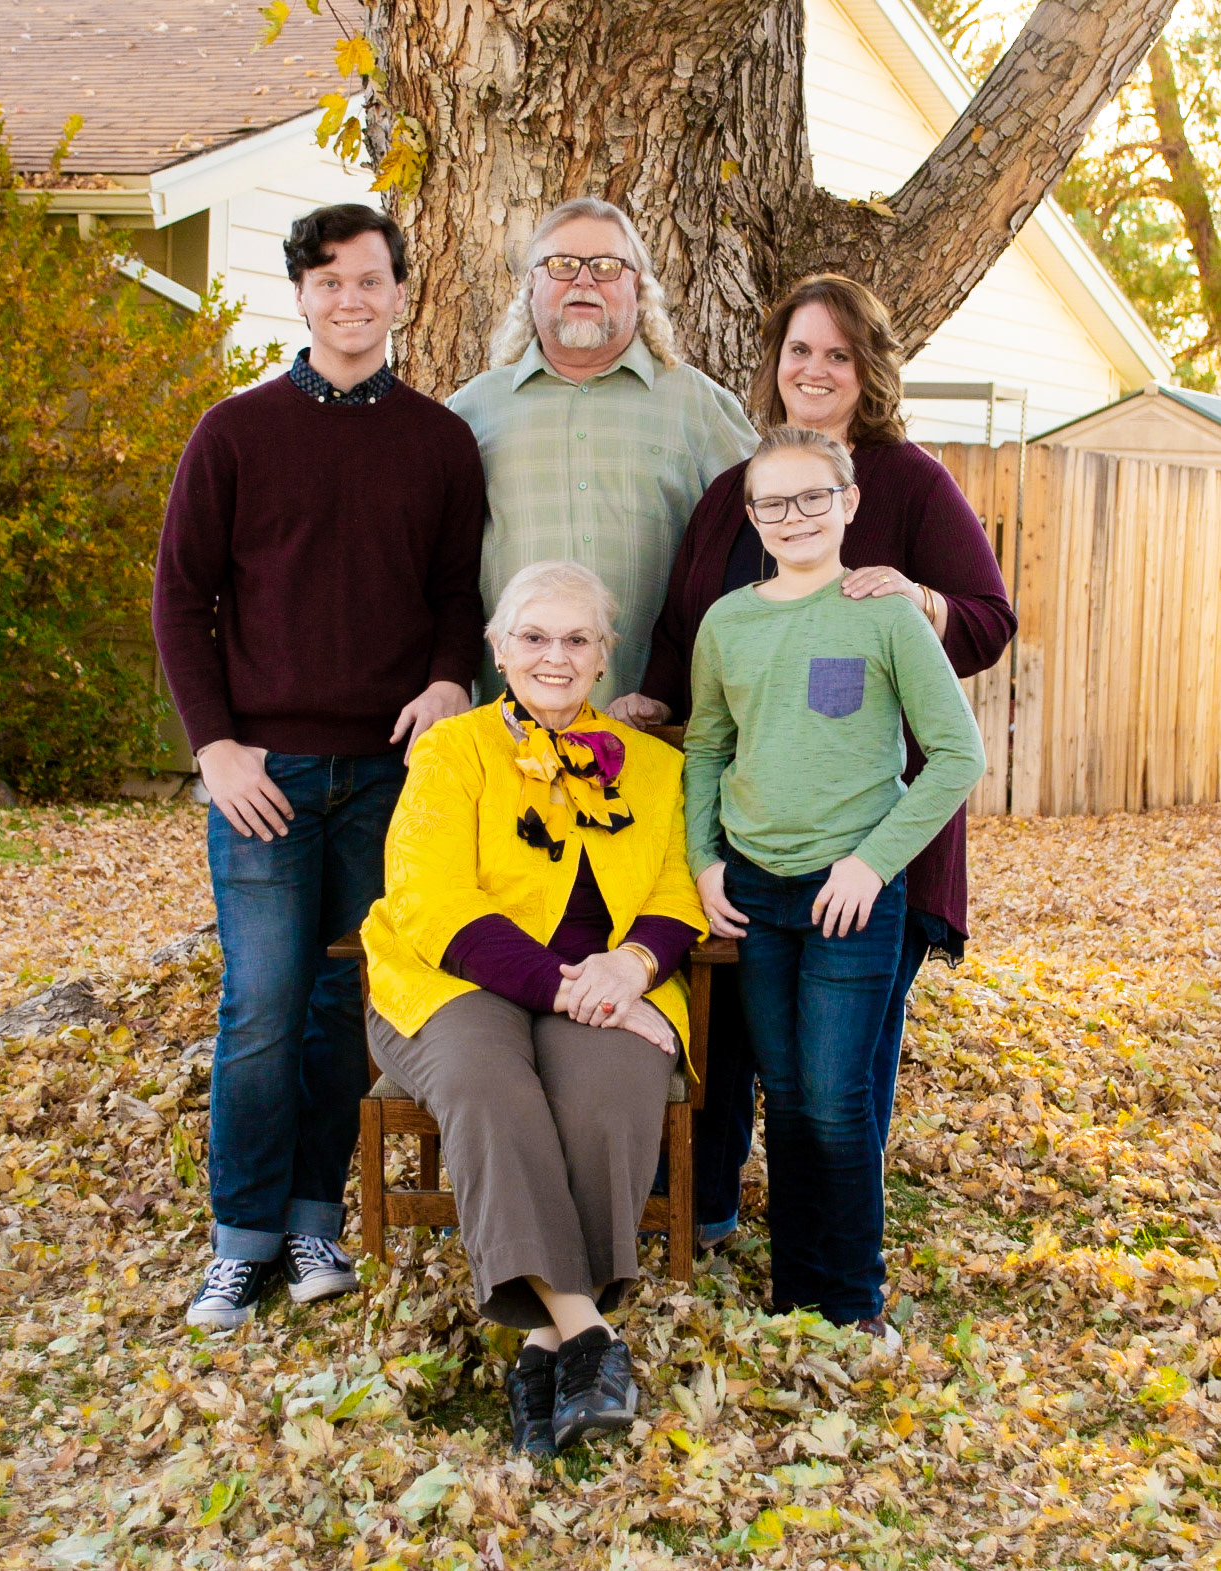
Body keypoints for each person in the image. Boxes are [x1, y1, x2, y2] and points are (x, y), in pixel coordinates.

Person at [612, 274, 1017, 1247]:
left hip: (872, 829)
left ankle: (837, 1250)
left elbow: (988, 618)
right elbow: (685, 629)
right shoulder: (733, 492)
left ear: (868, 369)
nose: (816, 369)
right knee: (733, 1032)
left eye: (839, 353)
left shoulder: (909, 483)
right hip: (748, 830)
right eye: (800, 349)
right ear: (775, 364)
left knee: (843, 1066)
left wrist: (919, 600)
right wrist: (656, 698)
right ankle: (709, 1211)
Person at [153, 203, 486, 1330]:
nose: (351, 299)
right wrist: (214, 747)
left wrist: (447, 678)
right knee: (261, 1003)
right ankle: (239, 1240)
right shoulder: (234, 433)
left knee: (346, 1003)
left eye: (371, 279)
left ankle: (311, 1221)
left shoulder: (440, 442)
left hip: (389, 777)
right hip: (264, 777)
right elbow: (180, 601)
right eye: (330, 280)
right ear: (300, 294)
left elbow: (456, 595)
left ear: (400, 293)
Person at [361, 561, 706, 1456]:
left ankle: (541, 1350)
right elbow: (431, 899)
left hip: (611, 984)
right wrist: (565, 986)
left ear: (605, 654)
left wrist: (630, 965)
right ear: (497, 649)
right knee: (487, 1083)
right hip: (454, 979)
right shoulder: (451, 749)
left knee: (609, 1094)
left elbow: (676, 888)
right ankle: (587, 1331)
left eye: (577, 638)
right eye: (534, 636)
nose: (556, 655)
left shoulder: (656, 767)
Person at [684, 426, 985, 1328]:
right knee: (783, 1097)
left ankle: (854, 1304)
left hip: (849, 893)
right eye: (773, 502)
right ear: (751, 516)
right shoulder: (727, 623)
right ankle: (796, 1295)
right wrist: (704, 859)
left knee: (834, 1100)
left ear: (847, 502)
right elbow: (706, 748)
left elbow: (957, 755)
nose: (795, 516)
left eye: (813, 496)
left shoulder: (882, 614)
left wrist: (870, 863)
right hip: (754, 889)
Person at [446, 196, 757, 703]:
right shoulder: (472, 411)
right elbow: (439, 573)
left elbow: (767, 539)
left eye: (608, 266)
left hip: (659, 715)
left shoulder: (699, 406)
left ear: (638, 285)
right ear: (531, 285)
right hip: (508, 725)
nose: (584, 280)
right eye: (562, 264)